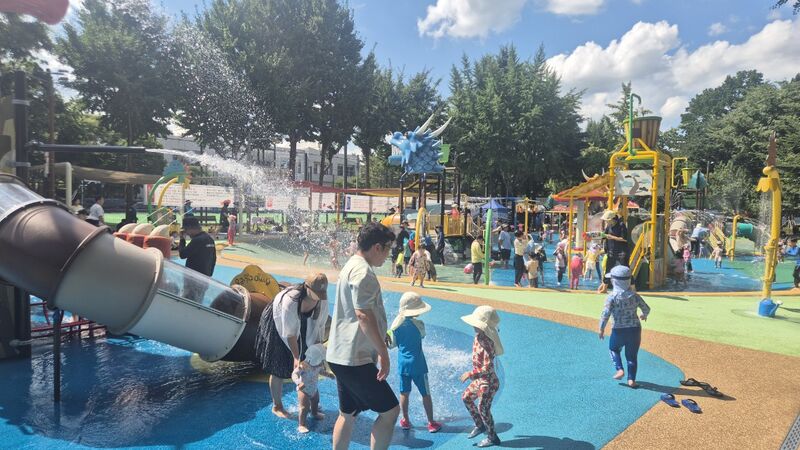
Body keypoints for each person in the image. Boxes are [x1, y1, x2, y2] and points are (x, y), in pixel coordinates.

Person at [326, 223, 399, 450]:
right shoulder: (363, 272)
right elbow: (363, 315)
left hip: (340, 354)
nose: (388, 255)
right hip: (354, 359)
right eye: (388, 249)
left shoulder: (351, 265)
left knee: (348, 412)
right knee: (390, 411)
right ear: (377, 247)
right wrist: (383, 352)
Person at [256, 273, 329, 420]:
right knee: (278, 365)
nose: (318, 297)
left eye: (321, 294)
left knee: (309, 363)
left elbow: (319, 328)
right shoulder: (291, 300)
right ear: (306, 287)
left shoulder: (322, 300)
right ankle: (277, 406)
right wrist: (296, 357)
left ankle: (309, 400)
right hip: (279, 321)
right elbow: (289, 334)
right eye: (316, 293)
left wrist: (317, 354)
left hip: (303, 322)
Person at [386, 292, 442, 433]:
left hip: (403, 365)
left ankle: (405, 420)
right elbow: (422, 335)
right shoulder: (419, 324)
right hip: (418, 365)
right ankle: (431, 422)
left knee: (404, 393)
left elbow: (391, 344)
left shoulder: (396, 327)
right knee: (425, 393)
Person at [599, 265, 650, 388]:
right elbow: (646, 308)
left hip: (618, 329)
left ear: (614, 281)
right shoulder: (635, 296)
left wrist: (601, 328)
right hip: (635, 329)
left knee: (613, 349)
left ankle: (620, 369)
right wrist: (643, 315)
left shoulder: (611, 297)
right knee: (632, 356)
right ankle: (631, 380)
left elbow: (605, 314)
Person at [460, 305, 503, 448]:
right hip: (480, 380)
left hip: (488, 382)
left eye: (476, 323)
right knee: (466, 397)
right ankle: (480, 425)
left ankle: (493, 437)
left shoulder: (487, 343)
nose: (473, 325)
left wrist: (470, 374)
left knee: (483, 408)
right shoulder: (478, 336)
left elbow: (488, 368)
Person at [292, 343, 333, 433]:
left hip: (313, 389)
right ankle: (301, 424)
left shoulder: (317, 365)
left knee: (315, 401)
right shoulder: (303, 366)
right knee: (304, 407)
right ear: (315, 359)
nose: (322, 363)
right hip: (304, 390)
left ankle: (314, 413)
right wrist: (298, 382)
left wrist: (328, 375)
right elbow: (294, 374)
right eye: (321, 360)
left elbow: (320, 371)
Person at [599, 210, 628, 294]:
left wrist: (611, 237)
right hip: (611, 251)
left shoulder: (621, 225)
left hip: (621, 252)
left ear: (612, 219)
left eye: (607, 220)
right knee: (608, 270)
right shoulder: (608, 227)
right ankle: (604, 288)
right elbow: (604, 236)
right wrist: (594, 236)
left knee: (625, 270)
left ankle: (632, 289)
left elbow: (624, 239)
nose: (606, 222)